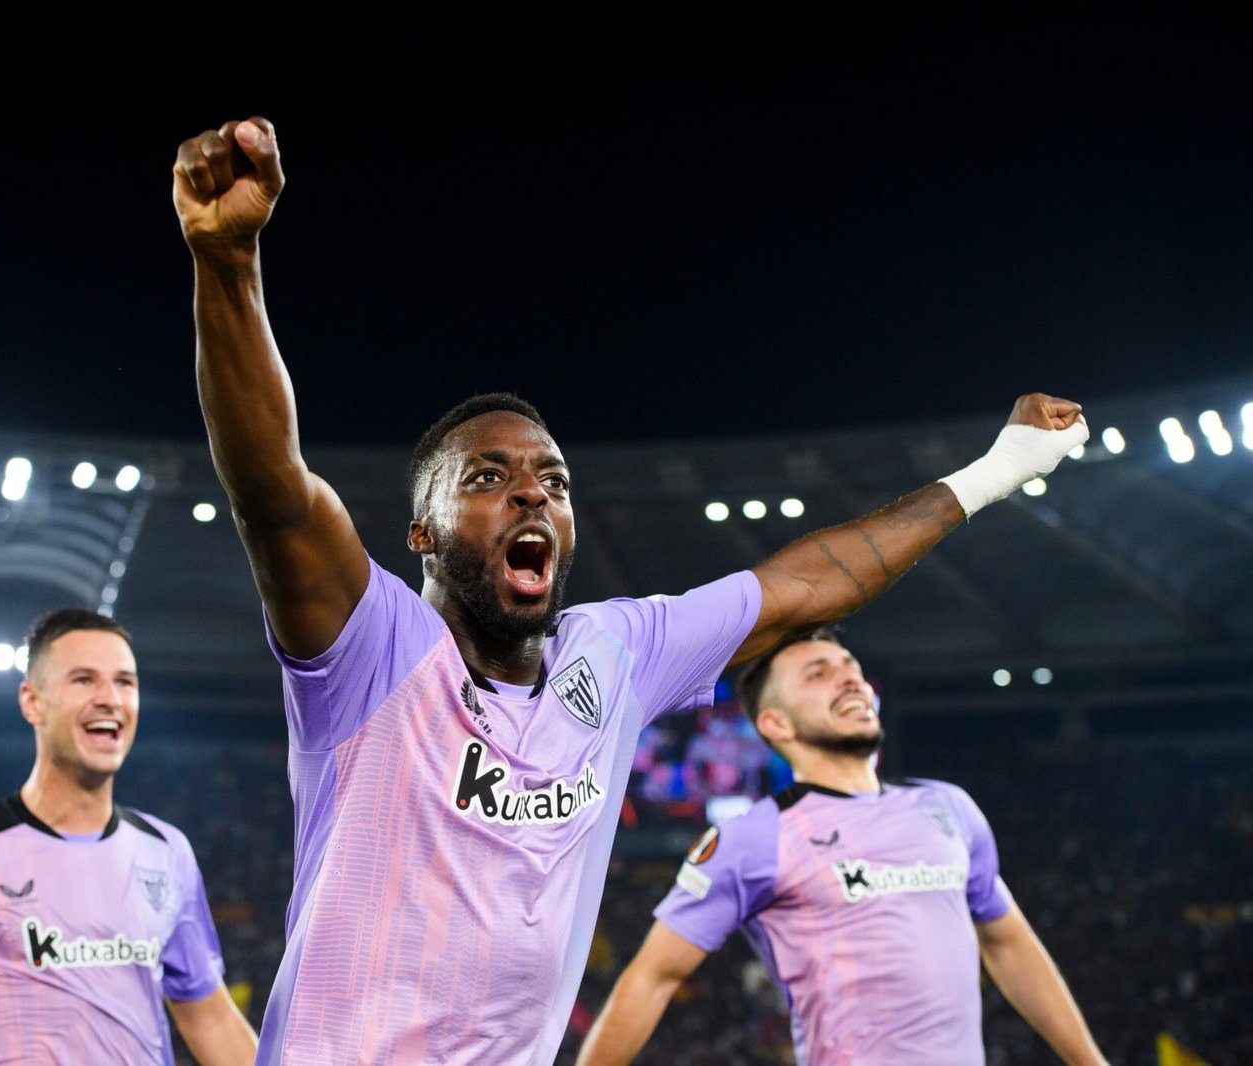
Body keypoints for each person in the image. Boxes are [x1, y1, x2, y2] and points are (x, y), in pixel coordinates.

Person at [172, 115, 1089, 1065]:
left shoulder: (614, 653)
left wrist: (995, 471)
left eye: (554, 481)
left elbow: (807, 583)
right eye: (486, 477)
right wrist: (229, 264)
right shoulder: (372, 653)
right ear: (421, 534)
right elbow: (272, 491)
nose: (533, 488)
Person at [575, 629, 1108, 1066]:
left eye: (849, 665)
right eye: (819, 674)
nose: (848, 677)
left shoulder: (949, 807)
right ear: (775, 723)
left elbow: (1009, 944)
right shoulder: (752, 838)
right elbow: (651, 977)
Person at [0, 608, 257, 1066]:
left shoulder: (167, 852)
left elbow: (209, 1017)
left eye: (125, 682)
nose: (110, 699)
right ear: (32, 701)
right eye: (84, 680)